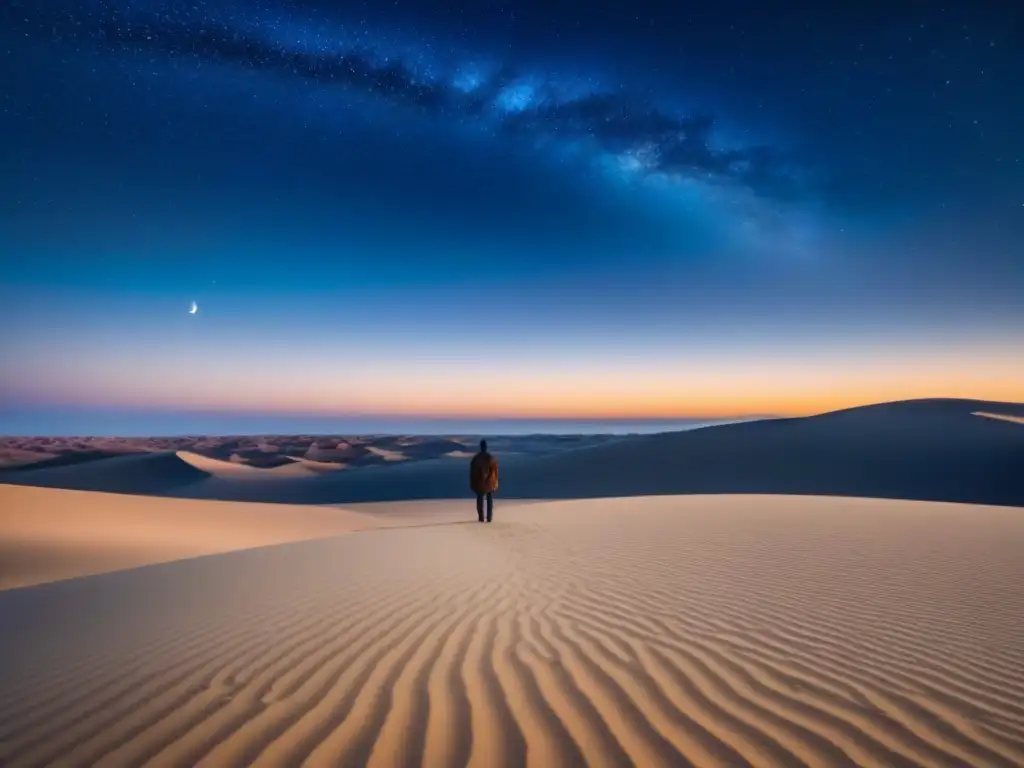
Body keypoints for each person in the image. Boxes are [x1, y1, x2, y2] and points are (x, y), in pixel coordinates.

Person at [469, 439, 499, 523]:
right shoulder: (491, 458)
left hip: (479, 484)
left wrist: (472, 484)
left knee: (480, 500)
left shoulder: (476, 459)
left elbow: (472, 473)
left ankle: (481, 517)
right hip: (489, 483)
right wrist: (495, 482)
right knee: (489, 500)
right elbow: (495, 472)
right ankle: (489, 518)